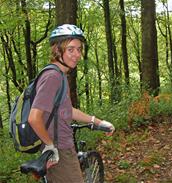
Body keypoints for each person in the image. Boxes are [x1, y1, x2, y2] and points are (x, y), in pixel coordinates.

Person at [28, 24, 115, 182]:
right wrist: (50, 146)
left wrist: (98, 122)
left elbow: (69, 110)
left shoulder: (60, 76)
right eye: (71, 49)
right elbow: (34, 118)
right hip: (60, 150)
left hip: (62, 147)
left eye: (79, 49)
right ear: (57, 50)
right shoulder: (52, 77)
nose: (77, 54)